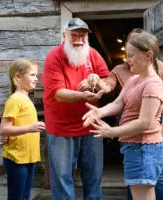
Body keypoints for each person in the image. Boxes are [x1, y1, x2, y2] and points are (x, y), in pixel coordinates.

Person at [79, 28, 163, 200]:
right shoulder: (134, 79)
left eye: (131, 55)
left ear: (148, 56)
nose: (127, 59)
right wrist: (99, 111)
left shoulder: (153, 84)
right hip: (134, 146)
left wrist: (112, 132)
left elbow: (144, 123)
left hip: (144, 148)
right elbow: (118, 103)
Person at [41, 17, 109, 200]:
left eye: (83, 36)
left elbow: (109, 83)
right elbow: (58, 93)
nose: (79, 40)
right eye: (74, 35)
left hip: (91, 124)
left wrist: (98, 81)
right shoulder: (54, 57)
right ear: (65, 35)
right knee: (63, 178)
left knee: (94, 177)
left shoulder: (93, 54)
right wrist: (83, 95)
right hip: (61, 127)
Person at [0, 58, 46, 200]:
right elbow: (4, 129)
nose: (36, 78)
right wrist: (30, 128)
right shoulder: (15, 100)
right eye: (32, 75)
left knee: (25, 196)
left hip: (28, 157)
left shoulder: (26, 99)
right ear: (18, 76)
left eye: (36, 75)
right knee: (17, 197)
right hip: (17, 158)